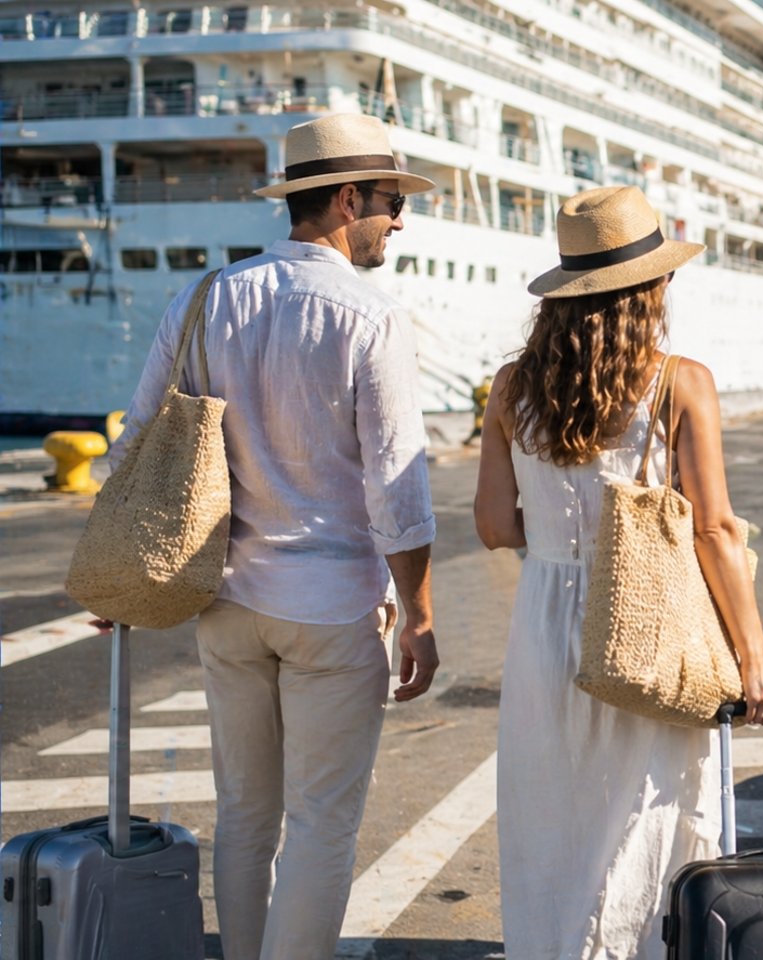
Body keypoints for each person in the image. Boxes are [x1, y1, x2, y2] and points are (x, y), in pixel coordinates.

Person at [109, 113, 440, 960]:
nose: (398, 220)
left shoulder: (203, 298)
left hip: (225, 600)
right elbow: (397, 483)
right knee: (322, 825)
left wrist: (118, 577)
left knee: (243, 815)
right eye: (390, 201)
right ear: (344, 199)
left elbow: (139, 441)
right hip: (330, 605)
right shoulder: (370, 315)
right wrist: (421, 615)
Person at [473, 184, 763, 958]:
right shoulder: (681, 382)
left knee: (552, 821)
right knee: (652, 819)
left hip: (546, 626)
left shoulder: (514, 386)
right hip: (650, 627)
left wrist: (561, 527)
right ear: (654, 286)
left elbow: (491, 525)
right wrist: (755, 660)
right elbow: (713, 530)